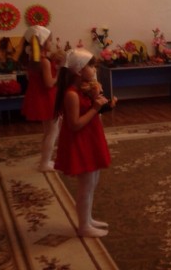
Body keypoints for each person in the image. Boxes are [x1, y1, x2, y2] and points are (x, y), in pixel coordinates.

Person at [54, 48, 114, 237]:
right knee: (86, 187)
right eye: (91, 66)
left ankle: (87, 219)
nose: (94, 69)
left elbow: (90, 112)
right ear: (79, 70)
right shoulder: (72, 94)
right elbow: (74, 125)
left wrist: (100, 102)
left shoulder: (83, 90)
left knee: (93, 182)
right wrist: (95, 108)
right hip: (81, 142)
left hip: (90, 138)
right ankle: (83, 226)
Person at [20, 25, 63, 172]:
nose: (51, 43)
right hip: (47, 98)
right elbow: (49, 83)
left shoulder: (33, 59)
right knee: (53, 132)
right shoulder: (44, 61)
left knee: (48, 131)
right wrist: (59, 74)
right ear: (43, 42)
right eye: (50, 40)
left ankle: (45, 160)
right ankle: (44, 163)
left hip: (40, 97)